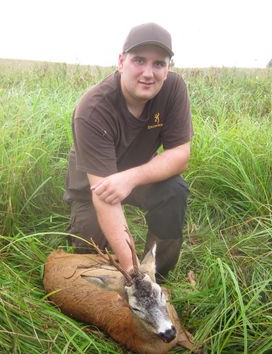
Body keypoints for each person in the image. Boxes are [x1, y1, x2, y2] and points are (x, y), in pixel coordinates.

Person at [63, 22, 193, 282]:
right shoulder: (93, 109)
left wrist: (130, 178)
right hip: (94, 188)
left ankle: (157, 276)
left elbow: (180, 154)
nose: (148, 73)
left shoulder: (174, 88)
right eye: (139, 60)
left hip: (135, 176)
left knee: (174, 191)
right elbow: (104, 196)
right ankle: (136, 276)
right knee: (86, 255)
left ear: (168, 69)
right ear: (121, 61)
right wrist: (131, 270)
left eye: (159, 64)